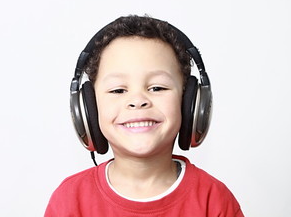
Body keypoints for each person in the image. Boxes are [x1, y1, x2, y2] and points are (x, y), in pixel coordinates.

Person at [44, 15, 244, 216]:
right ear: (89, 108)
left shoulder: (214, 199)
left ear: (188, 103)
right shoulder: (69, 201)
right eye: (118, 90)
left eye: (157, 87)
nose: (138, 100)